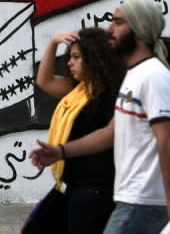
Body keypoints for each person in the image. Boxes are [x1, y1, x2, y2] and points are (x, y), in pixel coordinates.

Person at [30, 0, 170, 233]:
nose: (109, 29)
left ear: (139, 29)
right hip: (128, 197)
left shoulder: (154, 76)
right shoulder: (134, 77)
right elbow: (110, 133)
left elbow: (165, 139)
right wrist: (60, 152)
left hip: (143, 200)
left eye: (117, 22)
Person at [35, 27, 125, 233]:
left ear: (94, 58)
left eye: (76, 57)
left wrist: (61, 151)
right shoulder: (78, 91)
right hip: (75, 189)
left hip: (97, 191)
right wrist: (53, 43)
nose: (69, 62)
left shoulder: (110, 95)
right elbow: (44, 81)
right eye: (70, 57)